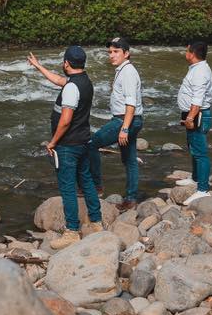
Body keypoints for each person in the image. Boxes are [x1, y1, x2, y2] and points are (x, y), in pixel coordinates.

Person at [27, 45, 100, 248]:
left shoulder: (72, 88)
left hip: (68, 145)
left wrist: (53, 142)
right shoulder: (84, 82)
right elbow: (59, 80)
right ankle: (96, 222)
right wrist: (38, 66)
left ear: (66, 63)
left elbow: (66, 120)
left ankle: (72, 232)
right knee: (86, 182)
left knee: (67, 188)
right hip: (83, 141)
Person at [87, 36, 144, 208]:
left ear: (126, 53)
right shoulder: (123, 70)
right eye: (110, 52)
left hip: (125, 120)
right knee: (130, 160)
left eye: (116, 51)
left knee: (91, 144)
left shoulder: (127, 72)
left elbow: (131, 103)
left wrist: (124, 128)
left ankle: (96, 186)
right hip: (130, 120)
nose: (111, 55)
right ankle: (131, 198)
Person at [176, 40, 212, 205]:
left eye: (187, 50)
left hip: (197, 115)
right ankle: (195, 178)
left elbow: (197, 99)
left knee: (200, 152)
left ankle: (203, 189)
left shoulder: (200, 72)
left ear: (192, 53)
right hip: (192, 114)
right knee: (193, 148)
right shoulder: (197, 69)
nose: (185, 53)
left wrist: (190, 118)